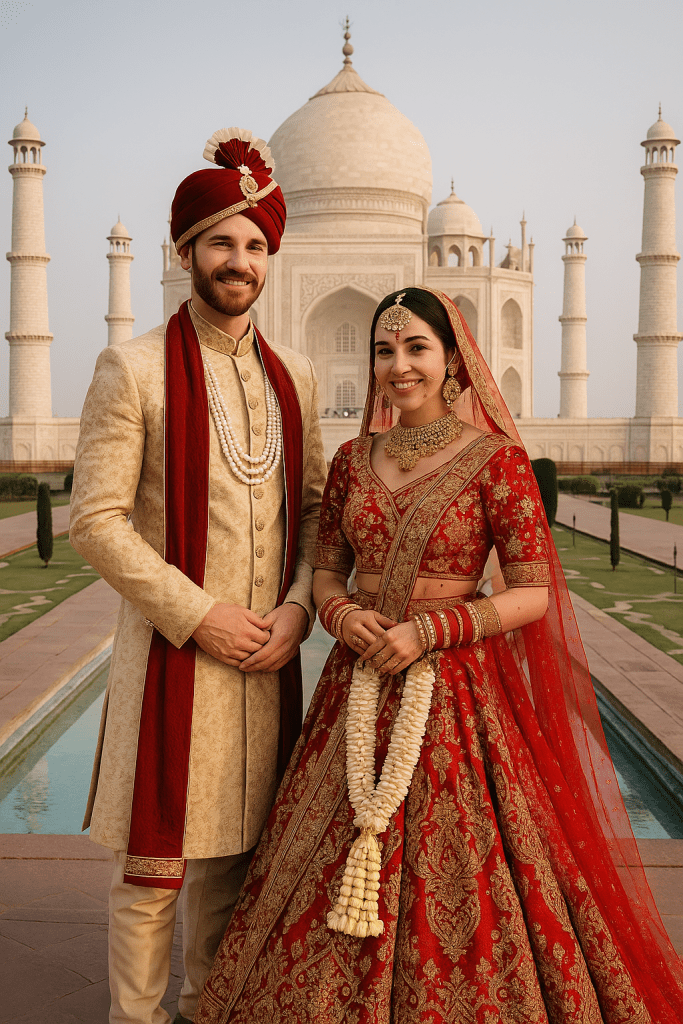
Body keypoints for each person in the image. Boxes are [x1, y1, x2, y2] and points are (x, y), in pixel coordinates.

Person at [193, 287, 683, 1023]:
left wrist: (428, 632)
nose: (399, 367)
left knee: (464, 864)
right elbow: (326, 568)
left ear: (452, 359)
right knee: (321, 855)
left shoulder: (497, 462)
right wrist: (341, 611)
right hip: (356, 685)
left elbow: (533, 593)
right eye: (384, 352)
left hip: (455, 691)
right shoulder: (355, 461)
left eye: (416, 348)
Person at [69, 128, 327, 1024]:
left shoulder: (294, 374)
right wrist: (199, 613)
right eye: (221, 240)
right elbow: (95, 520)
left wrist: (297, 612)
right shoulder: (132, 367)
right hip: (177, 656)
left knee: (232, 868)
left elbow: (318, 517)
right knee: (152, 875)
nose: (240, 260)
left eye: (255, 244)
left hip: (268, 663)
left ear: (272, 259)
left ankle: (208, 1011)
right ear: (186, 250)